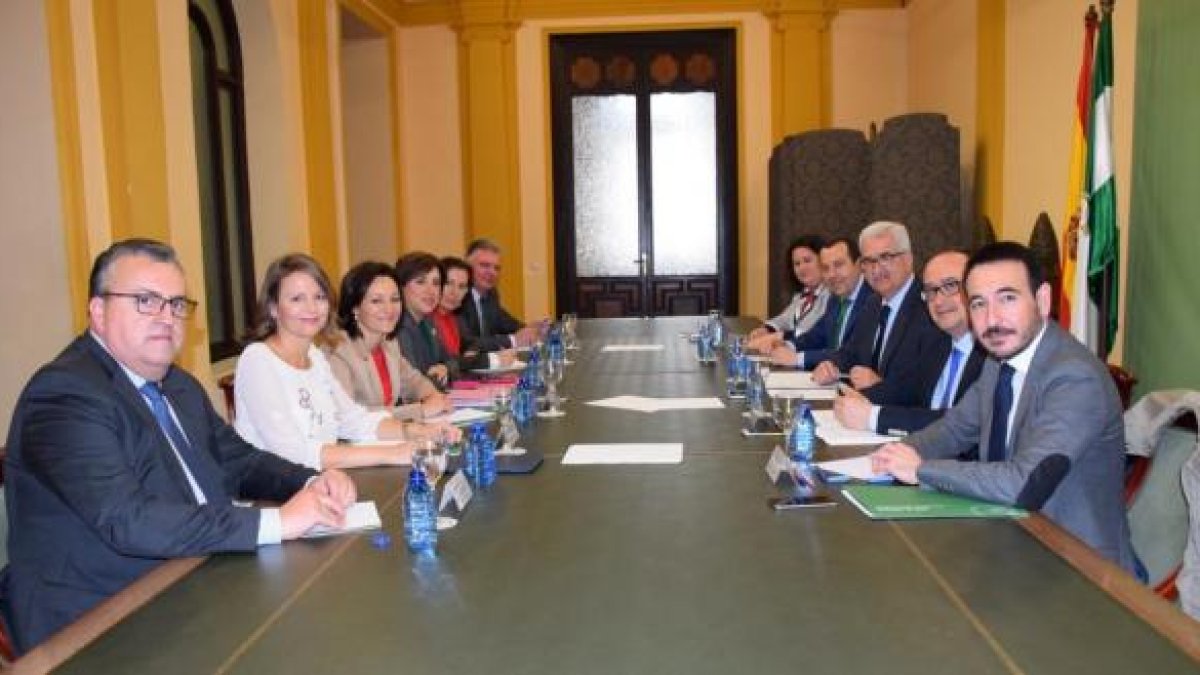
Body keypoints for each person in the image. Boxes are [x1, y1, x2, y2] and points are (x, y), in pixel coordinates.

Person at [0, 239, 356, 654]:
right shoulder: (66, 393)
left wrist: (311, 481)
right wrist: (278, 522)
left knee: (333, 625)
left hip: (200, 576)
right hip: (101, 619)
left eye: (175, 304)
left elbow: (238, 461)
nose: (166, 317)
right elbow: (128, 520)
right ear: (98, 311)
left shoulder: (177, 384)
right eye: (145, 301)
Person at [871, 242, 1137, 573]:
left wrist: (921, 469)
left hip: (1076, 563)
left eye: (1007, 298)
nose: (992, 319)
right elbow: (953, 430)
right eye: (978, 304)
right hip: (1007, 538)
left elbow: (1023, 483)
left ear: (1042, 300)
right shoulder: (998, 361)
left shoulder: (1075, 378)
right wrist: (898, 453)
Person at [234, 254, 452, 470]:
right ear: (273, 307)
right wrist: (394, 453)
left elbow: (352, 419)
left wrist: (417, 432)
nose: (311, 307)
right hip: (279, 486)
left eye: (319, 297)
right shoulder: (258, 360)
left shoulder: (314, 356)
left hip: (323, 477)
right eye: (297, 299)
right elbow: (294, 451)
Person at [834, 250, 987, 435]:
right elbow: (905, 391)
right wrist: (859, 398)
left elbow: (965, 422)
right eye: (931, 290)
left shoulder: (993, 355)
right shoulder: (938, 343)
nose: (939, 301)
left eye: (950, 285)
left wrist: (874, 417)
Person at [810, 222, 944, 406]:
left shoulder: (930, 307)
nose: (876, 269)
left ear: (908, 259)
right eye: (868, 261)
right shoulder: (872, 303)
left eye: (885, 257)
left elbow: (924, 391)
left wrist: (881, 387)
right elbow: (851, 353)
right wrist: (831, 366)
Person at [325, 261, 451, 420]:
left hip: (390, 432)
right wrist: (420, 410)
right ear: (354, 307)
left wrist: (434, 396)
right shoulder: (337, 351)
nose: (389, 309)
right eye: (376, 301)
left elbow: (414, 382)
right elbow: (347, 415)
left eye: (395, 299)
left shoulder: (389, 343)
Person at [766, 237, 873, 368]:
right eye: (825, 268)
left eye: (838, 265)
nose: (831, 275)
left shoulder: (873, 299)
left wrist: (798, 359)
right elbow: (817, 335)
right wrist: (788, 345)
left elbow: (851, 354)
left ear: (860, 265)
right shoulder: (836, 297)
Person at [747, 235, 829, 350]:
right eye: (797, 264)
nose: (802, 268)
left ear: (824, 261)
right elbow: (785, 319)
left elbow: (811, 332)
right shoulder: (801, 295)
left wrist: (780, 336)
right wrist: (766, 329)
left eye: (807, 261)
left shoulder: (832, 295)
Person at [433, 255, 516, 370]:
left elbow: (471, 344)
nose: (454, 292)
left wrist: (473, 352)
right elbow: (443, 362)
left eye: (461, 286)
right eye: (448, 283)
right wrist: (490, 359)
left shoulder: (455, 319)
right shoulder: (425, 320)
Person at [460, 238, 538, 351]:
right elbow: (468, 344)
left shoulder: (491, 294)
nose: (492, 272)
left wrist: (532, 329)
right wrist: (513, 340)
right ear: (467, 268)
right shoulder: (458, 297)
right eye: (484, 265)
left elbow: (506, 323)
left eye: (496, 268)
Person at [395, 252, 460, 386]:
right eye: (420, 282)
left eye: (436, 283)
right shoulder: (397, 326)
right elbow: (415, 382)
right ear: (401, 287)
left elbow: (452, 360)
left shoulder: (428, 322)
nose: (431, 291)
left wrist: (445, 368)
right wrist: (443, 372)